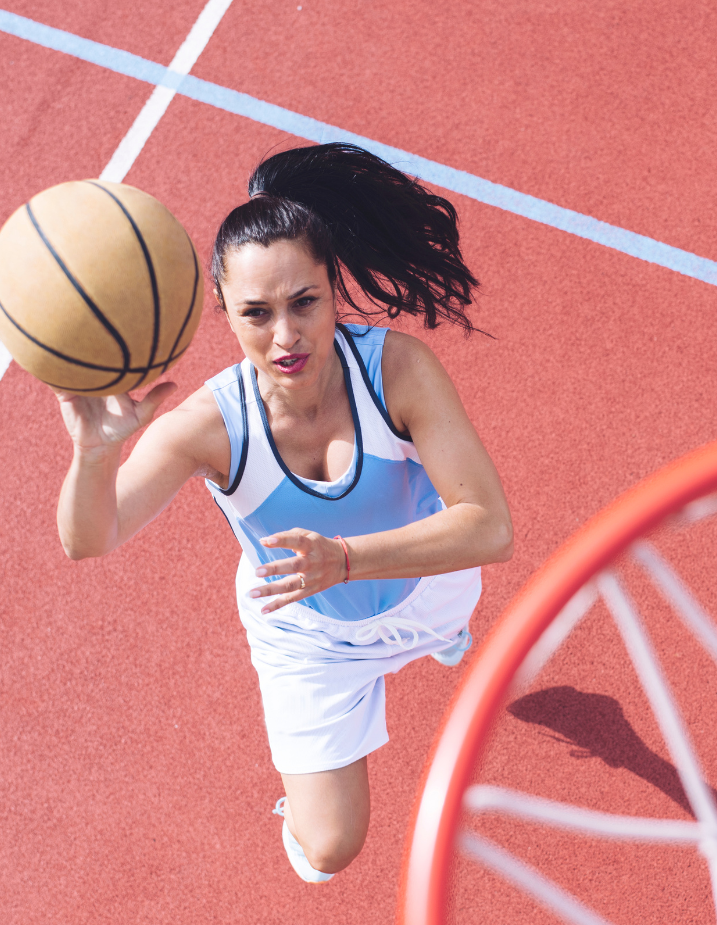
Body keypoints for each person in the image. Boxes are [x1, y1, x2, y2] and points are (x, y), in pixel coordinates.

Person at [53, 144, 513, 882]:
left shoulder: (397, 370)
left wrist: (349, 560)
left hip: (427, 591)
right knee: (330, 851)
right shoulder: (208, 425)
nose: (286, 337)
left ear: (334, 288)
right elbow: (89, 538)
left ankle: (440, 637)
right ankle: (300, 801)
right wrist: (96, 454)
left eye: (305, 303)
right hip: (308, 636)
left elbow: (489, 525)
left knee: (451, 618)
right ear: (225, 315)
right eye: (256, 314)